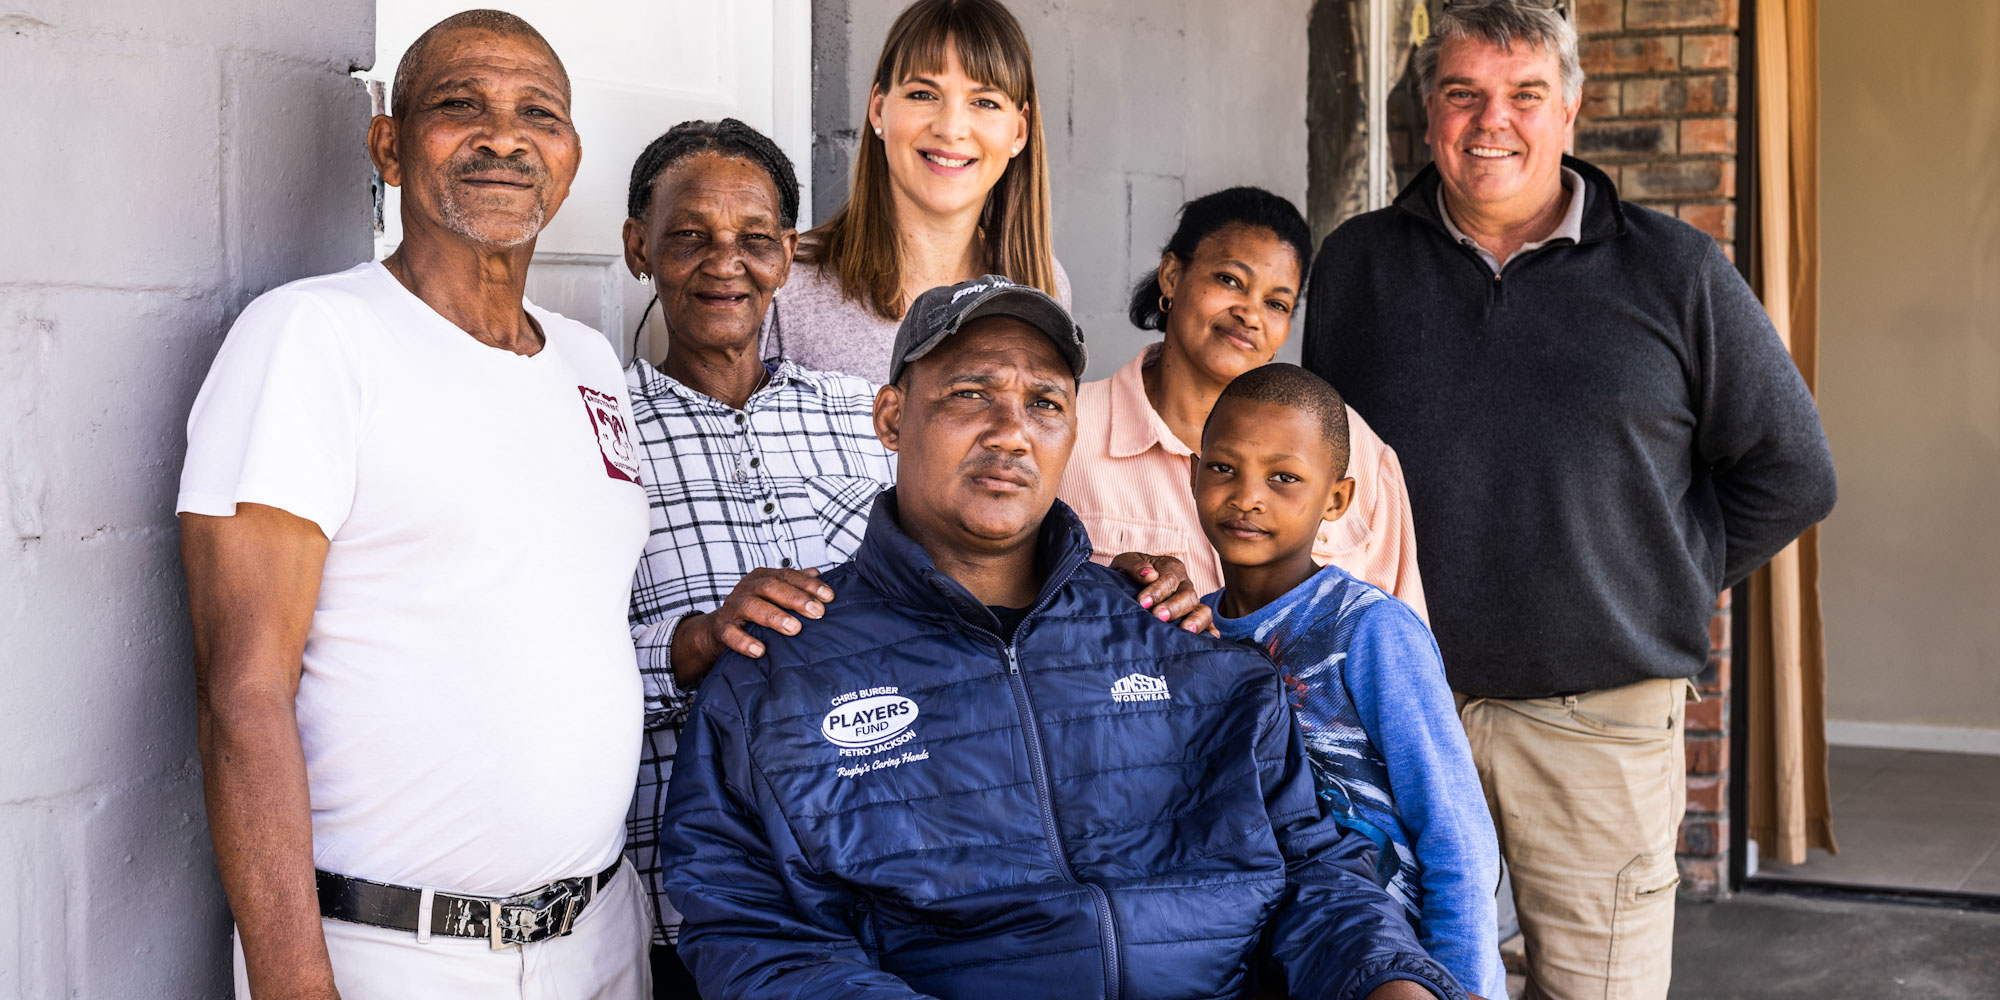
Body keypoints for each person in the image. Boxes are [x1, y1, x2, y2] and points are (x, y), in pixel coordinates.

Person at [660, 276, 1465, 1000]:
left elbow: (1312, 872)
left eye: (1045, 403)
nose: (1012, 432)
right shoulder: (778, 670)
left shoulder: (1174, 637)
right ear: (892, 417)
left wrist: (1388, 978)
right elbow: (751, 933)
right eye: (971, 393)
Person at [1301, 3, 1838, 998]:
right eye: (1462, 93)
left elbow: (1793, 470)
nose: (1491, 121)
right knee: (1395, 978)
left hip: (1597, 721)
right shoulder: (1358, 266)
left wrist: (1656, 577)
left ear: (1570, 112)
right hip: (1398, 707)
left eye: (1524, 94)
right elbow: (1321, 476)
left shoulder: (1674, 271)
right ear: (1428, 112)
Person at [616, 120, 1214, 998]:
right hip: (682, 897)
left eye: (755, 240)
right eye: (689, 236)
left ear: (787, 256)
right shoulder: (598, 429)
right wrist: (692, 644)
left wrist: (1103, 596)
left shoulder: (855, 410)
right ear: (639, 248)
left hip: (883, 892)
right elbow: (544, 675)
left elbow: (981, 564)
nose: (725, 264)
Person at [178, 10, 651, 998]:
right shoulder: (314, 338)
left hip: (603, 935)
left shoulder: (589, 362)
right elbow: (242, 694)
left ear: (569, 158)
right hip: (396, 952)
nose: (504, 137)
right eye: (459, 105)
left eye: (539, 113)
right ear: (389, 148)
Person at [1195, 365, 1504, 999]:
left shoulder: (1368, 629)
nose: (1247, 496)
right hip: (1268, 958)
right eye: (1224, 468)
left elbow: (1455, 828)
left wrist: (1461, 981)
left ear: (1336, 500)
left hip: (1398, 967)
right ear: (1194, 475)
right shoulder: (1189, 634)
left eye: (1283, 478)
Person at [1060, 187, 1427, 613]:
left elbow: (1406, 630)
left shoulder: (1351, 445)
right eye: (1229, 280)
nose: (1250, 315)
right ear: (1172, 276)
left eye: (1276, 303)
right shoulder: (1069, 433)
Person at [762, 0, 1071, 383]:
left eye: (984, 102)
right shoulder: (787, 284)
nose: (951, 128)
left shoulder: (1045, 286)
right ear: (879, 110)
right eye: (923, 94)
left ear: (1019, 132)